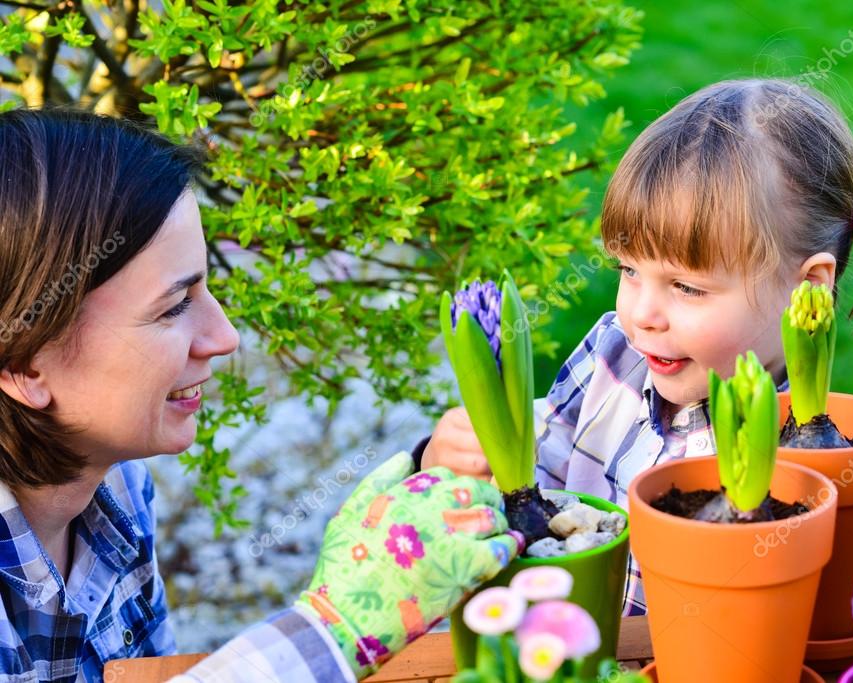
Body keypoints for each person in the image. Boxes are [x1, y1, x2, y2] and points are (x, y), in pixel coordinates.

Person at [0, 108, 521, 682]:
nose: (225, 338)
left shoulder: (113, 486)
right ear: (26, 365)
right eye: (173, 306)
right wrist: (336, 625)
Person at [422, 78, 853, 615]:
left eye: (687, 286)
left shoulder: (812, 467)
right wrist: (450, 463)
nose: (641, 315)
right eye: (629, 269)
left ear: (809, 287)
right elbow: (531, 483)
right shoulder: (613, 359)